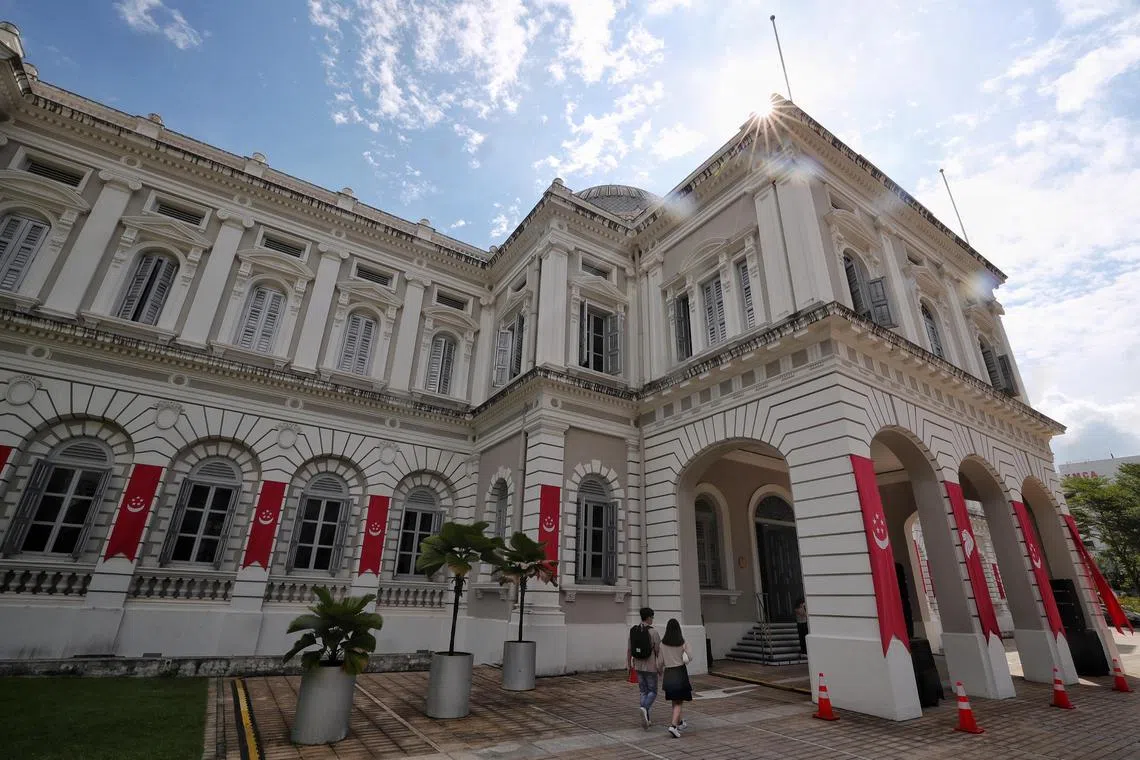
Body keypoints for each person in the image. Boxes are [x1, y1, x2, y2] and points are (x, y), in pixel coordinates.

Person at [627, 606, 662, 729]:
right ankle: (644, 708)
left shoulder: (634, 630)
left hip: (638, 665)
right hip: (650, 666)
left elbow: (629, 649)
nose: (652, 619)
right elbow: (658, 651)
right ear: (648, 617)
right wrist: (660, 667)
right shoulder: (653, 632)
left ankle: (646, 718)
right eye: (652, 617)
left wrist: (628, 665)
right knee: (653, 691)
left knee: (643, 691)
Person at [659, 618, 692, 738]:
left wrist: (659, 671)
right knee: (679, 701)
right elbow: (690, 657)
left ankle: (679, 722)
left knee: (674, 700)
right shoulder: (683, 642)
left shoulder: (662, 644)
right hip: (679, 672)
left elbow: (660, 662)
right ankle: (673, 726)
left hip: (668, 673)